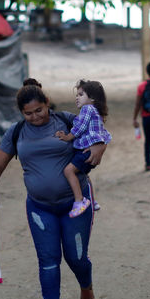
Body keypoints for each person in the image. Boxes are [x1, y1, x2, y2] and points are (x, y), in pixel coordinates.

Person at [0, 79, 106, 299]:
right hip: (39, 207)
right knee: (47, 260)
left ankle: (85, 285)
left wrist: (99, 147)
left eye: (39, 110)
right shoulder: (16, 132)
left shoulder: (66, 120)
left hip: (74, 204)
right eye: (28, 113)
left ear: (48, 103)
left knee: (76, 257)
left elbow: (97, 128)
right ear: (21, 113)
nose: (35, 117)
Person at [54, 80, 112, 218]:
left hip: (84, 151)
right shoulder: (97, 113)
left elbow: (80, 126)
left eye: (81, 94)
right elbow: (106, 134)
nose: (77, 97)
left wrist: (68, 137)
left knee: (68, 171)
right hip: (88, 151)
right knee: (83, 175)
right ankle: (92, 200)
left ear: (91, 98)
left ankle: (79, 200)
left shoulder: (88, 109)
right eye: (77, 95)